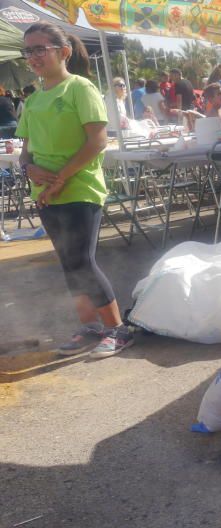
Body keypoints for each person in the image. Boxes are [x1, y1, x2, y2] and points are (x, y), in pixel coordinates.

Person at [15, 22, 133, 358]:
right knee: (68, 262)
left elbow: (97, 139)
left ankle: (117, 329)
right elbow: (26, 149)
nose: (33, 56)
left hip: (80, 187)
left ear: (63, 51)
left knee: (82, 259)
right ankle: (90, 326)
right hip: (47, 192)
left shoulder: (80, 88)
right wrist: (29, 168)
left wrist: (61, 177)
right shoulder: (34, 99)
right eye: (29, 51)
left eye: (40, 49)